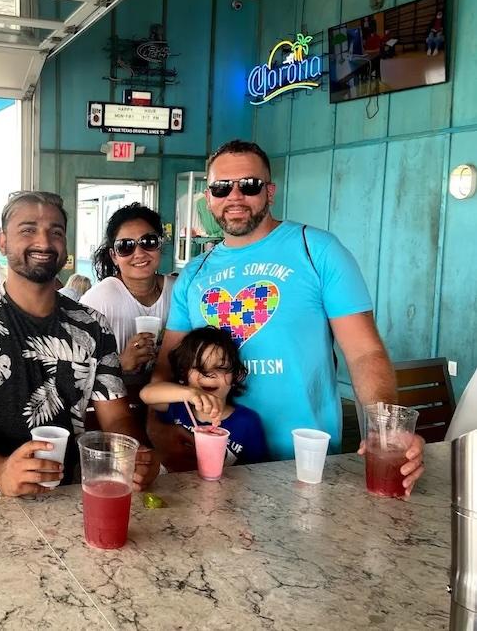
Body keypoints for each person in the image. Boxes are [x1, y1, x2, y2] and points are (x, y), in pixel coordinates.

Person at [148, 139, 425, 495]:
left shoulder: (318, 250)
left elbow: (364, 352)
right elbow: (168, 365)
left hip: (303, 464)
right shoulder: (194, 274)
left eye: (248, 185)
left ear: (270, 191)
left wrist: (388, 429)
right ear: (208, 197)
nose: (234, 196)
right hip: (216, 466)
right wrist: (155, 428)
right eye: (221, 187)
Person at [0, 190, 158, 498]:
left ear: (66, 245)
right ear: (3, 241)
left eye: (55, 232)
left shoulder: (93, 325)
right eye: (28, 230)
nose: (44, 242)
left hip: (70, 499)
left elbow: (117, 417)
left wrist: (137, 454)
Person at [81, 203, 175, 409]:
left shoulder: (178, 292)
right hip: (115, 408)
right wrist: (120, 364)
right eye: (126, 246)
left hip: (171, 406)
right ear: (114, 255)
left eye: (148, 242)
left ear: (160, 245)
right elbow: (74, 375)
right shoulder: (99, 300)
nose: (139, 253)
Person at [140, 326, 268, 470]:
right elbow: (146, 394)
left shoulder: (248, 422)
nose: (209, 374)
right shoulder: (177, 406)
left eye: (220, 367)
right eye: (198, 367)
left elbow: (258, 472)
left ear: (235, 375)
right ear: (183, 373)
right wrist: (189, 393)